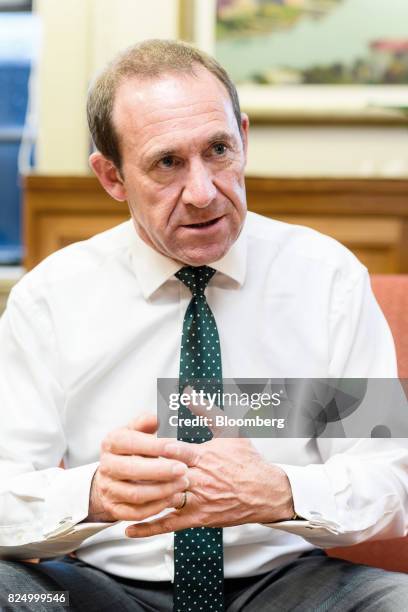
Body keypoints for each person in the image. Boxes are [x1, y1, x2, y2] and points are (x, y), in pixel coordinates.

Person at [0, 39, 407, 612]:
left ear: (243, 137)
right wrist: (91, 494)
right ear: (111, 176)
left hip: (288, 587)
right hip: (98, 591)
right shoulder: (50, 298)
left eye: (218, 150)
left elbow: (391, 477)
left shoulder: (327, 277)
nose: (202, 192)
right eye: (167, 163)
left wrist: (280, 492)